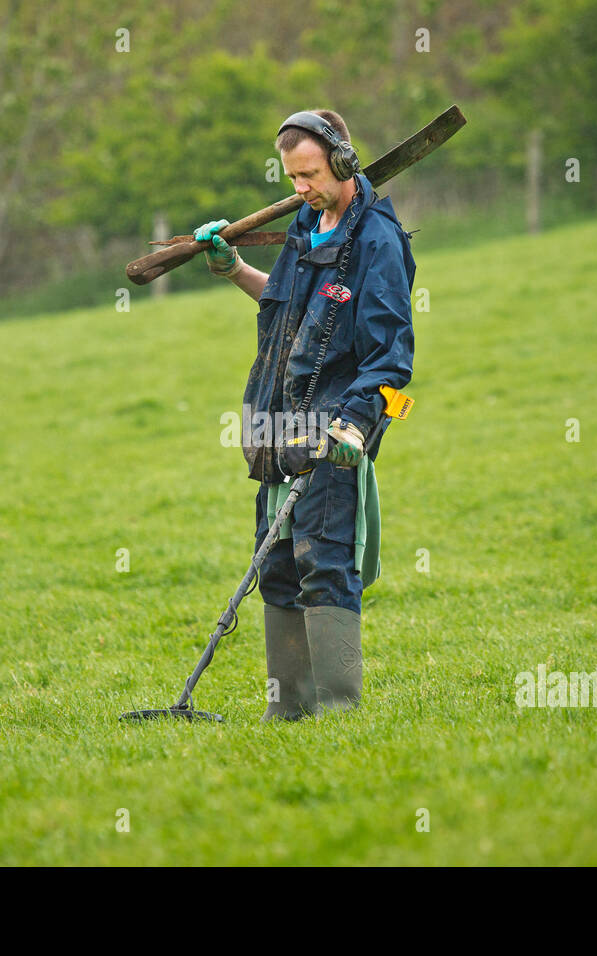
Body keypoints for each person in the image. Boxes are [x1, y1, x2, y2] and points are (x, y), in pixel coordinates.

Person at [193, 109, 416, 721]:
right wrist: (232, 268)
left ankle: (338, 711)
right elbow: (287, 308)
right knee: (279, 564)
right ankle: (287, 711)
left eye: (310, 175)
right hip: (277, 426)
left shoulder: (377, 242)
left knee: (326, 558)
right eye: (292, 178)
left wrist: (356, 424)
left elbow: (390, 355)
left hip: (333, 429)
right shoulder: (306, 224)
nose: (300, 189)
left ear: (343, 162)